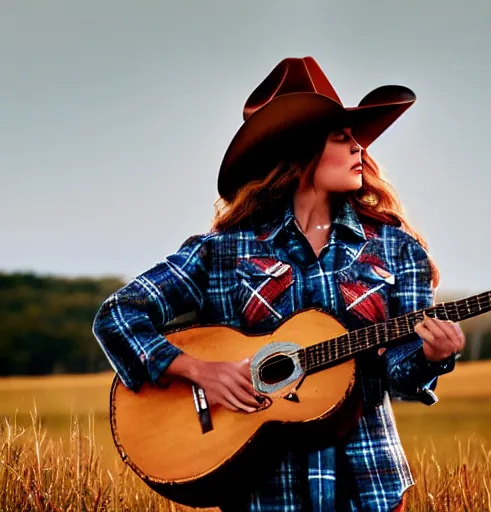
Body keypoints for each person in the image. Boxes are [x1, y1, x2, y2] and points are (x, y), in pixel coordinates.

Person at [93, 56, 465, 512]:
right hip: (261, 489)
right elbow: (119, 314)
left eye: (359, 142)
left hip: (368, 484)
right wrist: (197, 369)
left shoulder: (397, 249)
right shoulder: (223, 252)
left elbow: (400, 376)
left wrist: (431, 355)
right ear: (299, 150)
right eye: (342, 137)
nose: (359, 152)